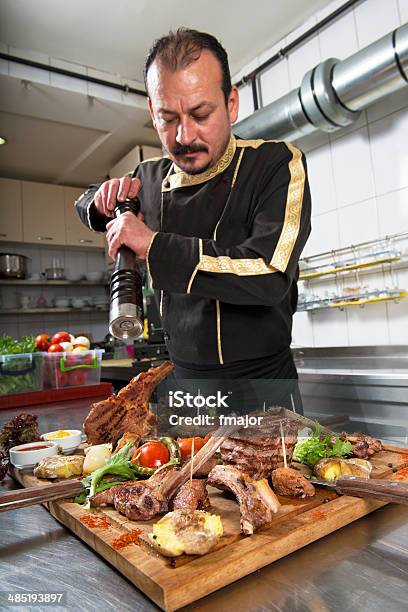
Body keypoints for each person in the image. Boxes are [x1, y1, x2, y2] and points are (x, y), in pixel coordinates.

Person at [75, 28, 311, 412]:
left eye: (201, 114)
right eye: (168, 118)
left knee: (273, 473)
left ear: (231, 104)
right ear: (152, 113)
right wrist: (99, 205)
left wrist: (152, 244)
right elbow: (86, 202)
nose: (185, 136)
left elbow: (269, 274)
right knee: (185, 473)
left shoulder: (275, 164)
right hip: (186, 386)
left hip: (264, 386)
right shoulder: (148, 177)